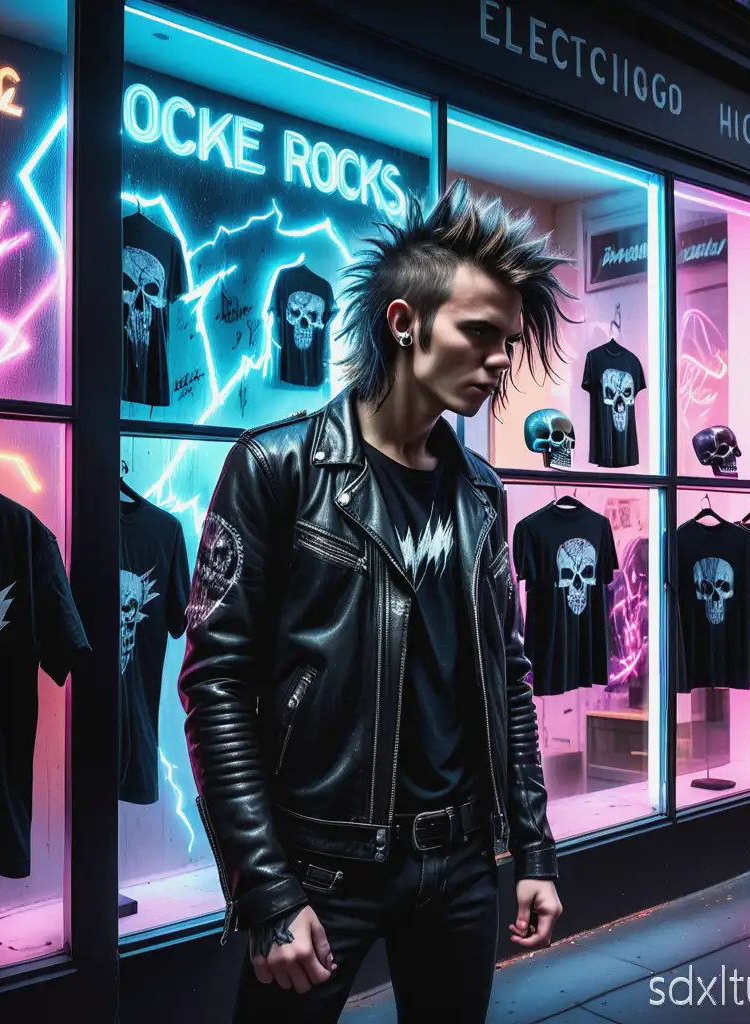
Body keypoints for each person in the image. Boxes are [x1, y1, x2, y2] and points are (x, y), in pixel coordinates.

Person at [179, 179, 568, 1023]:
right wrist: (266, 890)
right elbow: (216, 686)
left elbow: (510, 678)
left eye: (508, 340)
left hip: (462, 864)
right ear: (404, 323)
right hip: (321, 869)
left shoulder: (482, 494)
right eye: (481, 335)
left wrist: (531, 849)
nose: (501, 362)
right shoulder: (277, 469)